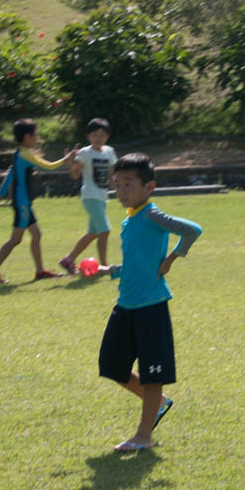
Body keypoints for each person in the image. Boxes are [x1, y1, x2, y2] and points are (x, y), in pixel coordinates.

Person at [90, 153, 202, 452]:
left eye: (128, 184)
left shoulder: (151, 214)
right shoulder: (130, 219)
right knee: (112, 365)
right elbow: (137, 262)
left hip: (152, 306)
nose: (120, 191)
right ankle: (160, 404)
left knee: (154, 375)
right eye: (117, 184)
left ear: (149, 187)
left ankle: (144, 436)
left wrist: (172, 259)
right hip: (126, 305)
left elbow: (192, 230)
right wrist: (109, 270)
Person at [0, 119, 76, 284]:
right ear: (27, 137)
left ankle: (40, 271)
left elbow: (10, 176)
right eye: (35, 134)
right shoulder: (25, 155)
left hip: (23, 203)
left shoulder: (19, 153)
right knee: (15, 239)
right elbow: (48, 166)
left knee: (36, 234)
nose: (37, 136)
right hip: (22, 203)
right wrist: (66, 159)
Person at [58, 118, 117, 275]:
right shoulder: (85, 153)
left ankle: (68, 260)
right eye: (95, 134)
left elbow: (112, 175)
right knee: (104, 230)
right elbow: (75, 175)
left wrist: (119, 189)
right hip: (90, 196)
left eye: (102, 134)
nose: (98, 138)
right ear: (88, 137)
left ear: (108, 136)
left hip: (102, 197)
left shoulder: (109, 151)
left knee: (94, 233)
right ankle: (104, 266)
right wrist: (69, 164)